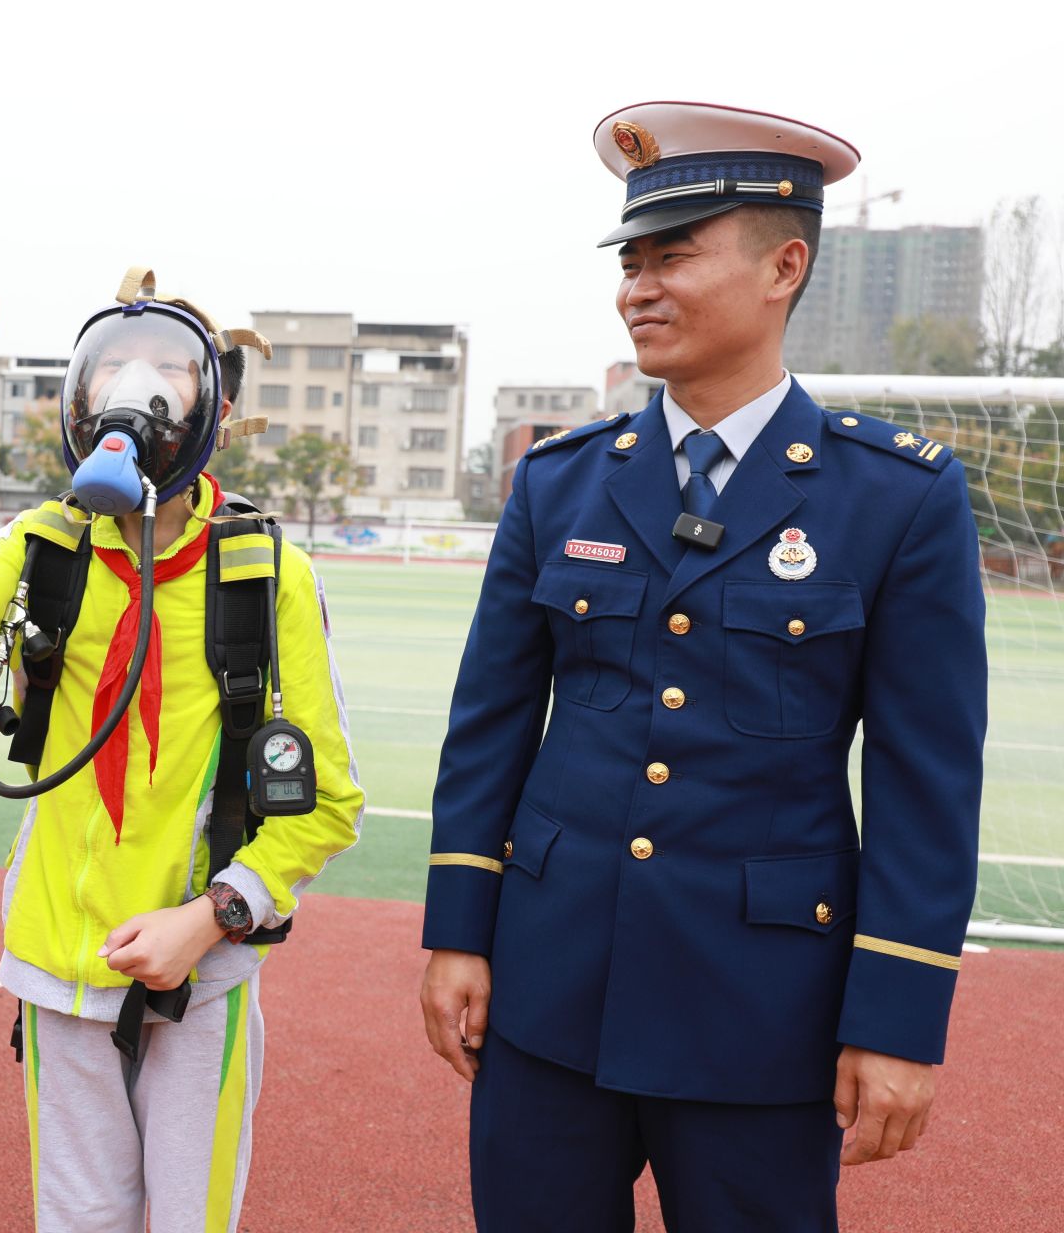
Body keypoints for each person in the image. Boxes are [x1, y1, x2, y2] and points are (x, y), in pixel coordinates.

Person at [419, 102, 989, 1231]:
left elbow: (927, 783)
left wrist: (898, 1017)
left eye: (673, 256)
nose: (639, 287)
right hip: (549, 990)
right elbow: (488, 726)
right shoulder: (562, 481)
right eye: (630, 263)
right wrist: (456, 930)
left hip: (760, 1015)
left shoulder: (895, 498)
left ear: (785, 266)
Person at [0, 274, 364, 1232]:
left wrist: (213, 918)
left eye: (167, 372)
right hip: (57, 968)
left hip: (202, 976)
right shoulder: (44, 546)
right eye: (115, 370)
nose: (136, 392)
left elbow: (329, 804)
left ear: (215, 410)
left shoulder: (266, 573)